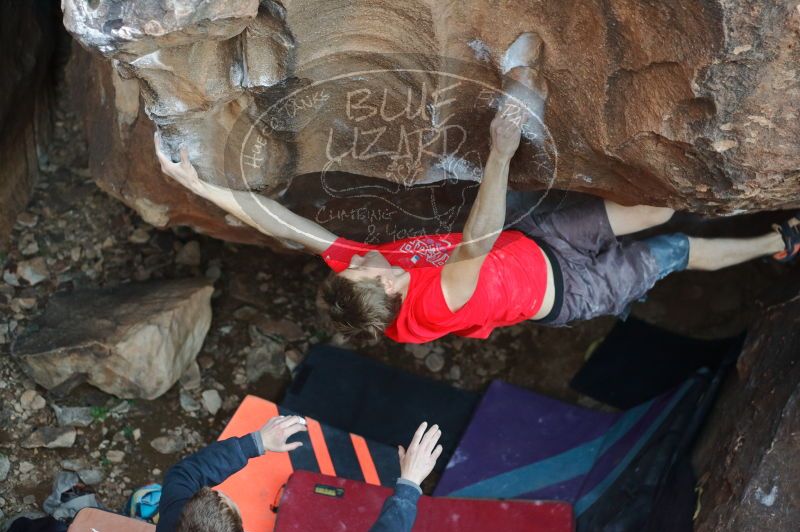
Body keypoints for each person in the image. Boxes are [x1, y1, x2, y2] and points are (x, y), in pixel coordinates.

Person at [154, 112, 799, 345]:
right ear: (393, 289)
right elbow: (479, 237)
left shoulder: (364, 281)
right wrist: (499, 150)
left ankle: (747, 187)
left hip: (542, 241)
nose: (361, 258)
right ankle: (781, 241)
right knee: (671, 248)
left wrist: (202, 186)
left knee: (652, 209)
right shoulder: (433, 299)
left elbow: (288, 225)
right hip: (573, 287)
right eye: (370, 267)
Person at [158, 416, 442, 532]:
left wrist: (256, 442)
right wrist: (409, 484)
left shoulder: (174, 518)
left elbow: (186, 473)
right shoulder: (176, 510)